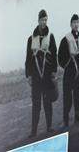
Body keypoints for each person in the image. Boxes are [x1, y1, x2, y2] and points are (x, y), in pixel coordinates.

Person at [25, 9, 57, 137]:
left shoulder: (51, 37)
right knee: (36, 104)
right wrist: (28, 75)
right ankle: (33, 131)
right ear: (38, 20)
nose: (44, 22)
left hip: (47, 75)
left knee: (48, 102)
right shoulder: (31, 39)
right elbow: (28, 58)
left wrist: (54, 71)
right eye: (42, 20)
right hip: (36, 76)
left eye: (46, 20)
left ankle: (49, 127)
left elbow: (54, 55)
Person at [57, 13, 79, 127]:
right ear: (70, 24)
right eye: (74, 23)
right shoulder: (65, 39)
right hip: (69, 73)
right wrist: (67, 65)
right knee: (67, 97)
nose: (76, 25)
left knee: (78, 95)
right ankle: (66, 120)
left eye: (77, 22)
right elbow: (60, 57)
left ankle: (78, 117)